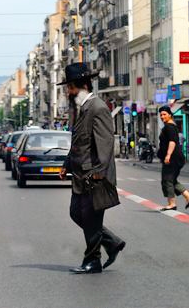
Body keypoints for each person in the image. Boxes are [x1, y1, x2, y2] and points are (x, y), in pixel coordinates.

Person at [58, 63, 125, 274]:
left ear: (83, 85)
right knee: (76, 213)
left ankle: (93, 261)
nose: (68, 92)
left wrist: (98, 173)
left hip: (92, 177)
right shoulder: (83, 108)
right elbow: (79, 142)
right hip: (80, 175)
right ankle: (112, 242)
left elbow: (104, 146)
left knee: (90, 218)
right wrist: (66, 164)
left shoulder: (98, 108)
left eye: (70, 87)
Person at [157, 106, 189, 211]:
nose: (162, 116)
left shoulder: (169, 127)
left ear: (170, 115)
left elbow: (172, 141)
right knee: (172, 180)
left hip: (173, 158)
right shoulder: (171, 126)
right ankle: (188, 196)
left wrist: (168, 155)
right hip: (176, 158)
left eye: (164, 114)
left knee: (167, 180)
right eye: (161, 114)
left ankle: (172, 203)